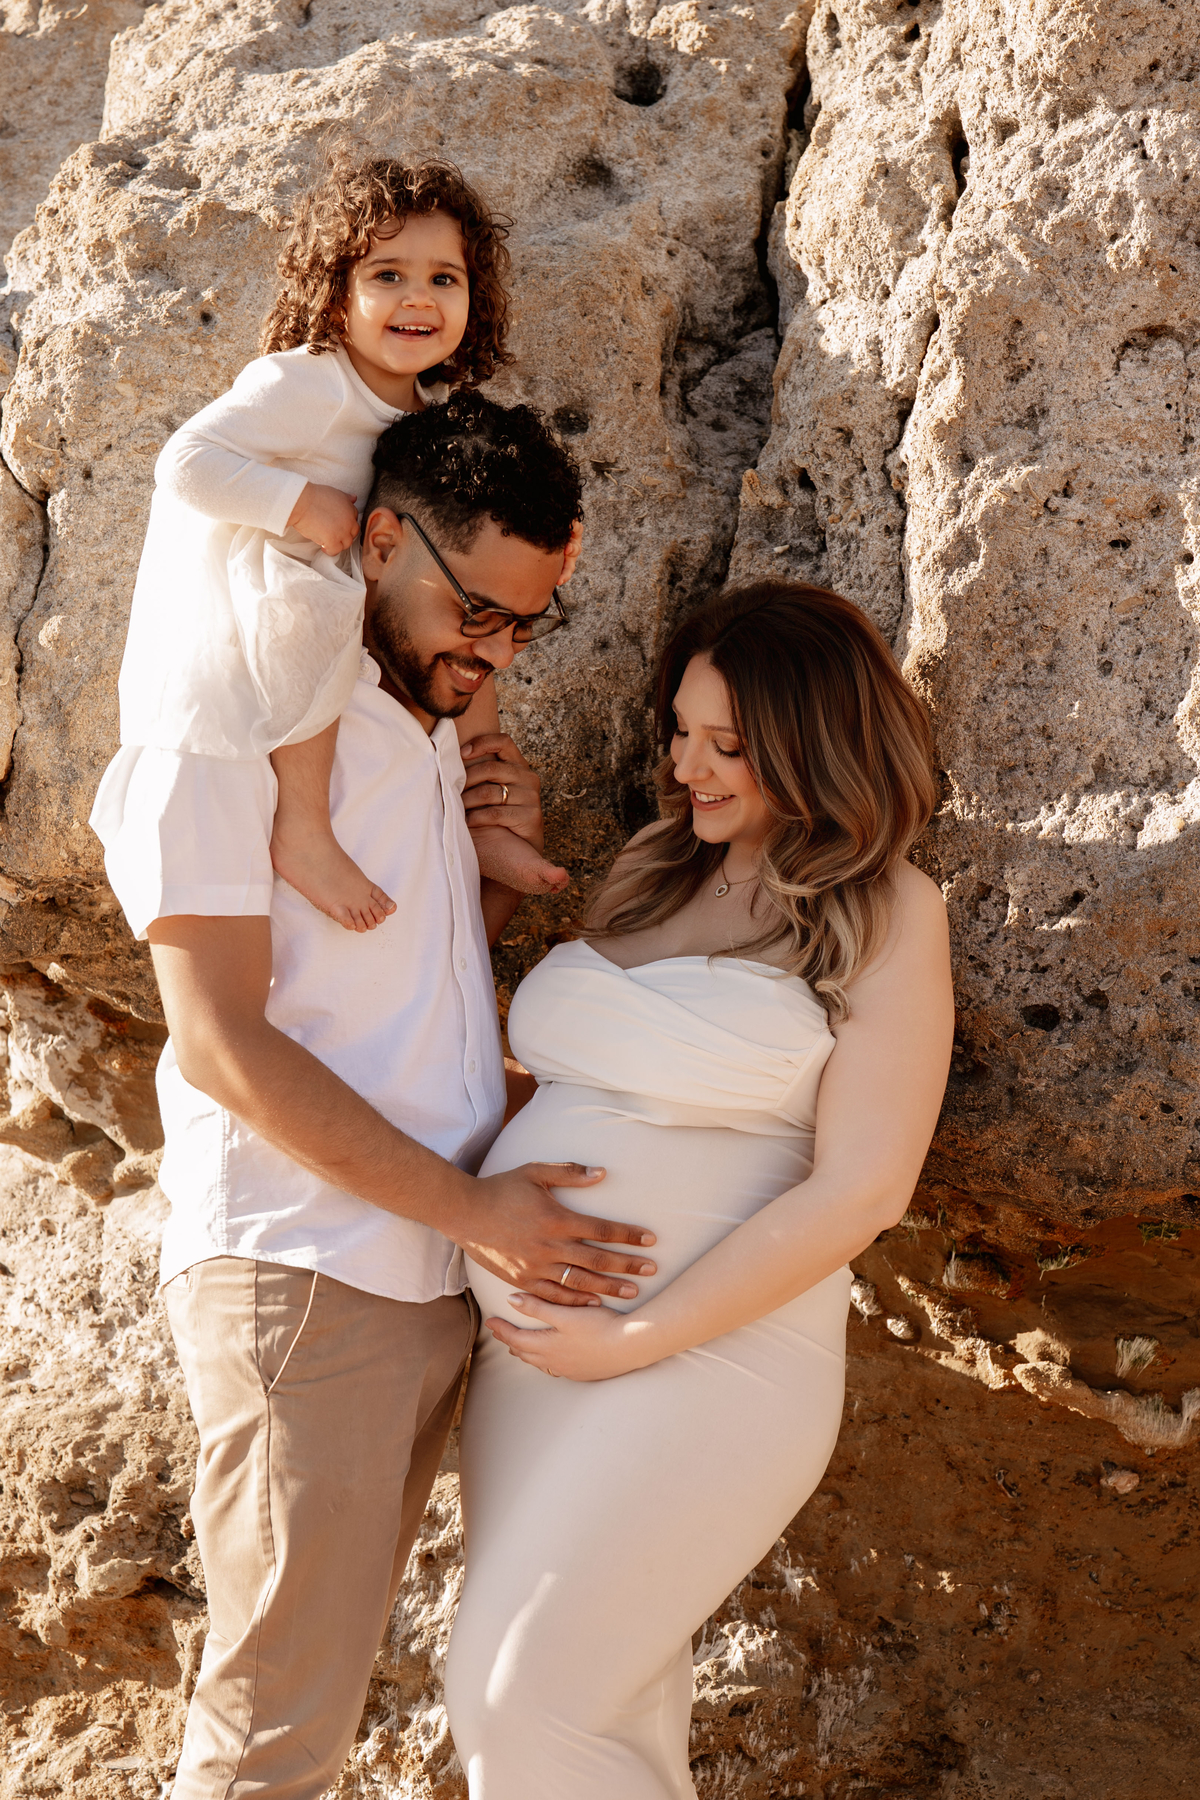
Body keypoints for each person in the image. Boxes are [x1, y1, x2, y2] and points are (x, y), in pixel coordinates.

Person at [88, 395, 657, 1800]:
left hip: (421, 1280)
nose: (493, 650)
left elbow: (405, 1020)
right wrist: (478, 1207)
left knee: (314, 1724)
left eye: (526, 625)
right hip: (303, 1277)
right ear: (379, 537)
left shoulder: (417, 742)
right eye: (475, 609)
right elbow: (219, 1044)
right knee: (271, 1738)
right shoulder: (222, 729)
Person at [443, 581, 956, 1798]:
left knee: (518, 1698)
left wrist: (634, 1335)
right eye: (681, 731)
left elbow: (865, 1191)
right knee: (604, 1715)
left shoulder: (888, 911)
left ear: (811, 743)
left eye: (728, 745)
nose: (687, 767)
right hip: (533, 1361)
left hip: (710, 1360)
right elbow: (515, 1079)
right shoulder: (651, 874)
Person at [117, 152, 574, 933]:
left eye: (444, 279)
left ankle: (487, 822)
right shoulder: (305, 382)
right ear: (336, 294)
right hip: (280, 590)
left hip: (355, 595)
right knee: (322, 605)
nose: (417, 298)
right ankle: (303, 828)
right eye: (387, 275)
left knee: (479, 623)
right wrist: (295, 502)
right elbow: (184, 464)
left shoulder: (431, 405)